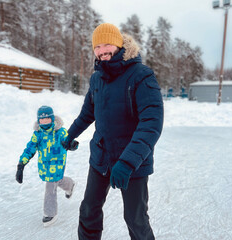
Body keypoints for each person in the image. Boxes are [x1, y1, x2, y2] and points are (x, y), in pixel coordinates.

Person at [62, 23, 164, 239]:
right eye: (97, 46)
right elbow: (87, 114)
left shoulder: (142, 75)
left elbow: (151, 123)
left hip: (133, 162)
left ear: (118, 44)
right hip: (101, 156)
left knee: (135, 219)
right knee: (89, 210)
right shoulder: (96, 78)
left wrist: (127, 162)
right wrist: (69, 135)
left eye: (107, 44)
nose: (101, 50)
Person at [15, 105, 79, 227]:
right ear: (38, 121)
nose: (44, 122)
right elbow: (30, 149)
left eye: (47, 119)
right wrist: (21, 164)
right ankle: (70, 185)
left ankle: (50, 213)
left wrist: (71, 144)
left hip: (58, 164)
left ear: (52, 119)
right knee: (56, 181)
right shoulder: (38, 134)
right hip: (44, 165)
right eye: (42, 120)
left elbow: (67, 139)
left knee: (50, 186)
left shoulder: (60, 132)